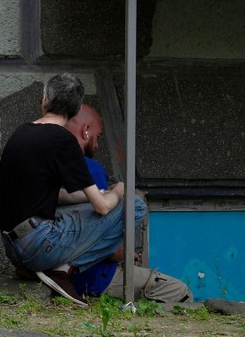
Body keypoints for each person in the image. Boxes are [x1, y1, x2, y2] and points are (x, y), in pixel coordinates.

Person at [0, 73, 145, 306]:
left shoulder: (21, 132)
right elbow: (103, 207)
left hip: (13, 248)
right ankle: (62, 270)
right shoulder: (63, 140)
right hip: (38, 247)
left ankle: (52, 269)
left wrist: (90, 198)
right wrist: (119, 190)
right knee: (135, 206)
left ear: (44, 100)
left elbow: (54, 195)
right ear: (75, 111)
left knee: (85, 205)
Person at [64, 105, 192, 303]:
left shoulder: (45, 163)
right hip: (92, 278)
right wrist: (125, 252)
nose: (97, 145)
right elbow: (105, 244)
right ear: (85, 130)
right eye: (97, 136)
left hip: (56, 267)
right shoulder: (89, 169)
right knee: (180, 291)